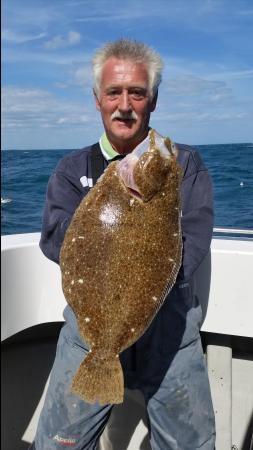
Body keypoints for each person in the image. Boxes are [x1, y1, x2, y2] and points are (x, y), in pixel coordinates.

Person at [30, 39, 216, 450]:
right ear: (98, 99)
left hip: (169, 326)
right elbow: (53, 240)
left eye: (137, 92)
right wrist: (100, 227)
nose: (125, 104)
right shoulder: (71, 170)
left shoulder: (181, 163)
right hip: (91, 332)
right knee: (61, 443)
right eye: (114, 92)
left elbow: (194, 241)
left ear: (153, 101)